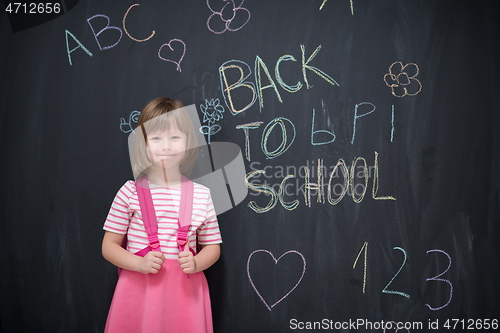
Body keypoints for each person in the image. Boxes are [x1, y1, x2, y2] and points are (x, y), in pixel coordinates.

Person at [102, 97, 221, 333]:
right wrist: (139, 263)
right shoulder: (129, 192)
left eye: (175, 137)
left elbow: (213, 247)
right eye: (156, 138)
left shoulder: (202, 195)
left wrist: (197, 262)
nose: (166, 146)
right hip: (139, 292)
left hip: (186, 296)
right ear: (143, 144)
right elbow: (109, 246)